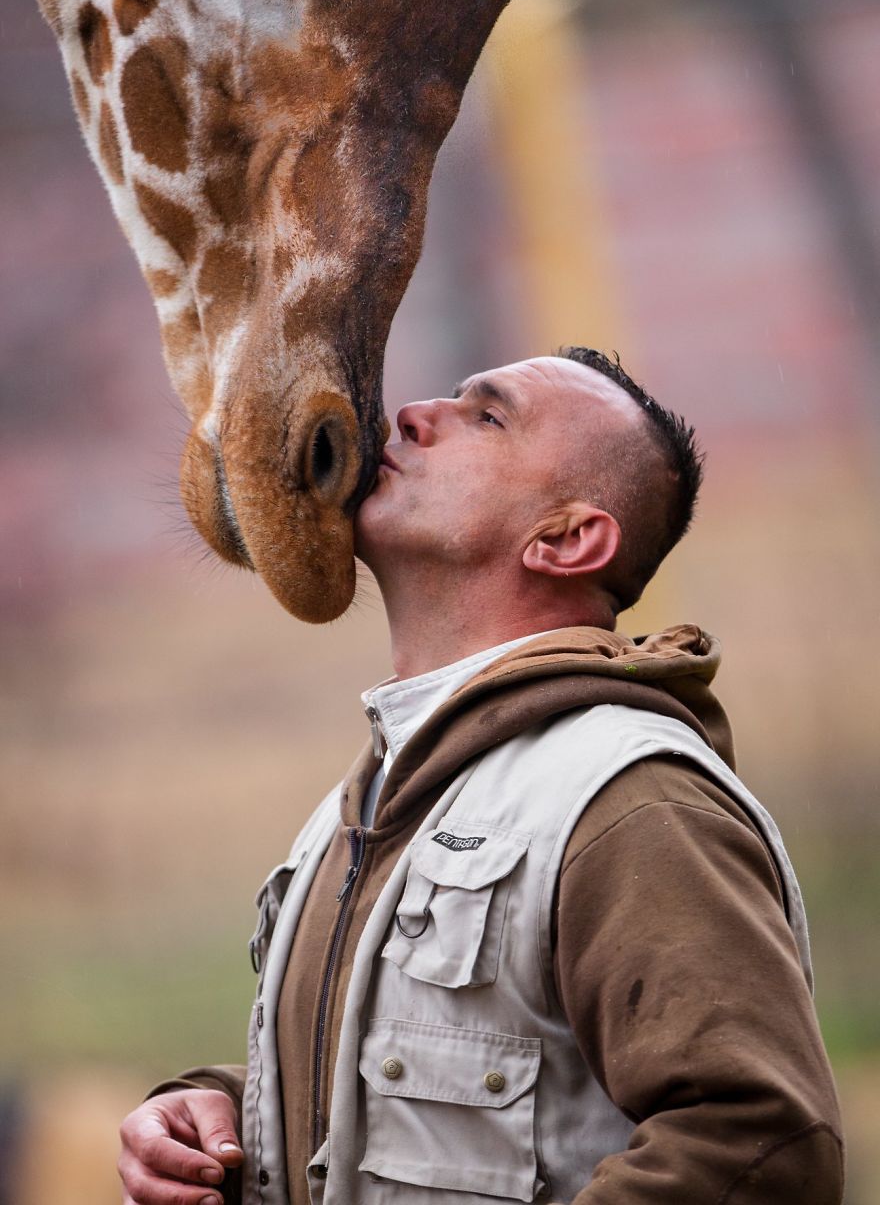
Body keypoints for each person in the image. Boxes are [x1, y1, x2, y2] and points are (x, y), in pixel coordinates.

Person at [118, 349, 844, 1205]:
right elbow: (430, 1081)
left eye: (486, 417)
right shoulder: (384, 792)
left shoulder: (629, 802)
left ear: (568, 540)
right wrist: (221, 1114)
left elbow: (760, 1146)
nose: (415, 412)